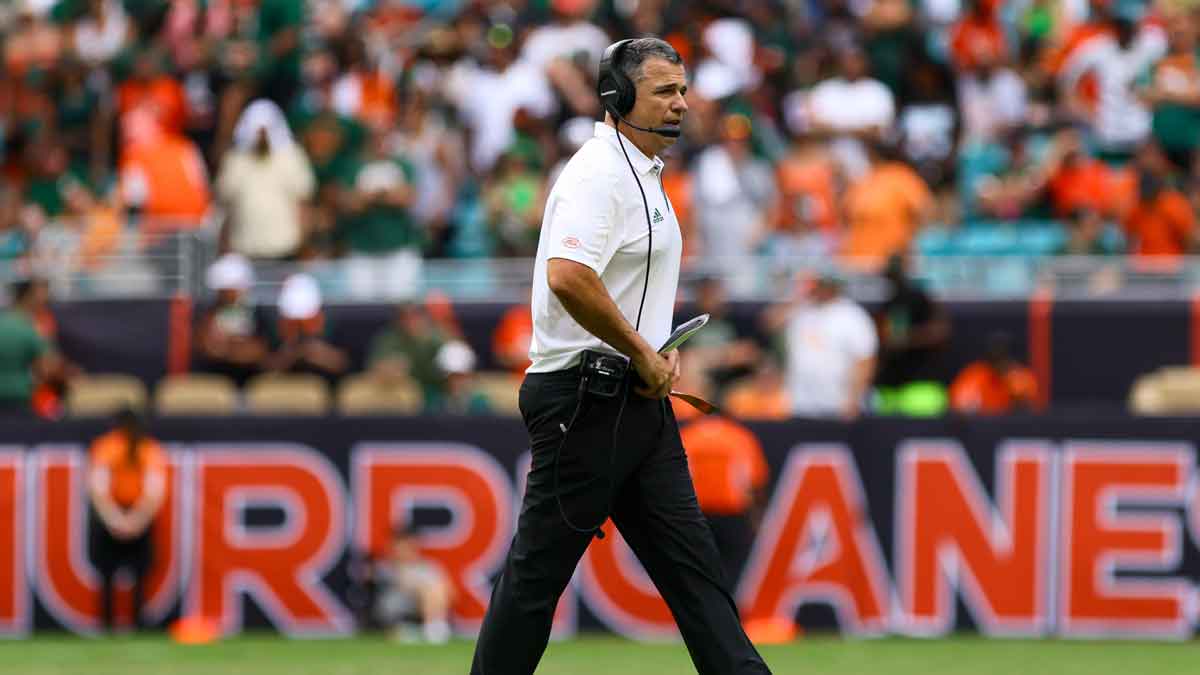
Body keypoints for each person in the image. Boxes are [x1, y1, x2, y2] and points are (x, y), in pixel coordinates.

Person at [471, 38, 771, 675]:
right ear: (616, 97)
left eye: (683, 90)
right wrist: (640, 348)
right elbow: (567, 275)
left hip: (632, 396)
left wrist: (654, 352)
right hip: (586, 398)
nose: (681, 104)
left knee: (697, 576)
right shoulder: (598, 174)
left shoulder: (645, 173)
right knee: (534, 580)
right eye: (665, 91)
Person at [87, 408, 167, 632]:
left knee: (137, 573)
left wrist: (127, 519)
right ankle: (112, 621)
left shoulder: (145, 449)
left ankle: (130, 621)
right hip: (122, 515)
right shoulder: (112, 447)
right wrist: (121, 519)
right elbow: (99, 487)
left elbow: (153, 489)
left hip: (128, 515)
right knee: (110, 574)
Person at [764, 271, 877, 420]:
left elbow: (865, 360)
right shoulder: (800, 310)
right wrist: (798, 298)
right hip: (801, 404)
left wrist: (853, 399)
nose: (817, 288)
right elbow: (769, 322)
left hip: (839, 406)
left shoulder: (852, 315)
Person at [678, 415, 770, 586]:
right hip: (731, 514)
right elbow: (754, 482)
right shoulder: (740, 436)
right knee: (731, 574)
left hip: (696, 514)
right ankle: (725, 610)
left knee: (696, 574)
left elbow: (675, 480)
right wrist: (755, 517)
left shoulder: (688, 436)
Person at [193, 253, 270, 386]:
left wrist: (226, 347)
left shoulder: (257, 313)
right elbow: (204, 347)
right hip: (213, 380)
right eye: (223, 290)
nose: (227, 294)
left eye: (232, 288)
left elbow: (258, 352)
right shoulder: (207, 313)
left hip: (250, 381)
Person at [371, 523, 454, 644]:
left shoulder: (429, 567)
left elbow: (451, 594)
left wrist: (430, 593)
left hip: (424, 611)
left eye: (407, 543)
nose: (403, 548)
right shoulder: (385, 567)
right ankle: (433, 629)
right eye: (399, 544)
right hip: (395, 612)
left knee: (435, 588)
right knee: (428, 589)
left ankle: (432, 627)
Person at [0, 279, 60, 416]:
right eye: (42, 291)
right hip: (21, 400)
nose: (47, 297)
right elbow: (48, 369)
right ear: (28, 295)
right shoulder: (33, 329)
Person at [949, 332, 1039, 414]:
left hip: (1011, 428)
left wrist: (1017, 398)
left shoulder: (1022, 379)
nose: (1000, 364)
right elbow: (958, 409)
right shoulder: (974, 376)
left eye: (1003, 358)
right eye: (995, 359)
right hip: (981, 428)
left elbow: (1031, 413)